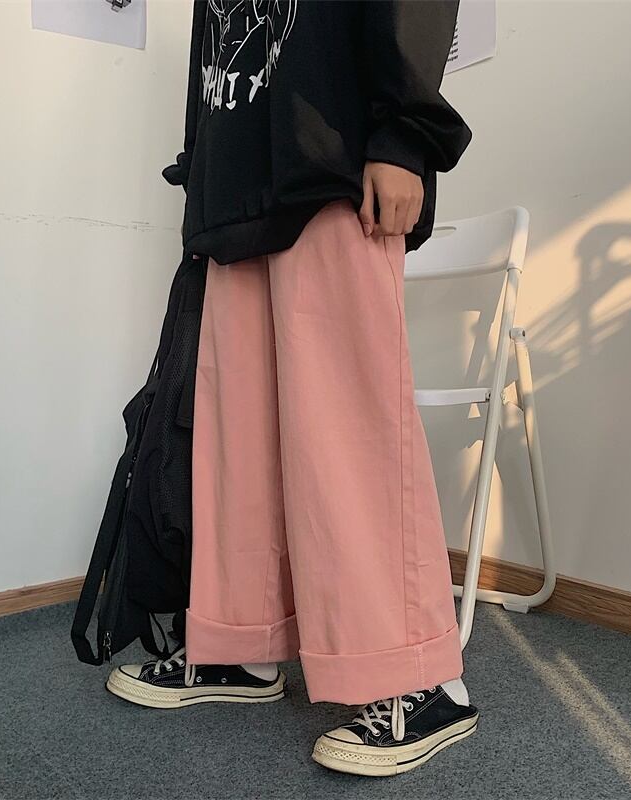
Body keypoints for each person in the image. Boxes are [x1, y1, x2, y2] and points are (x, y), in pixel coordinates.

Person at [106, 0, 477, 777]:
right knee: (237, 439)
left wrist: (405, 136)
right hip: (237, 182)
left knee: (345, 428)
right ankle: (243, 644)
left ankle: (422, 676)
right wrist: (202, 168)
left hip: (333, 153)